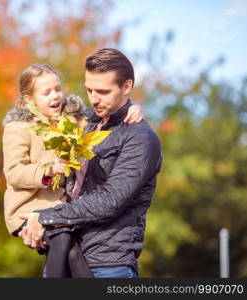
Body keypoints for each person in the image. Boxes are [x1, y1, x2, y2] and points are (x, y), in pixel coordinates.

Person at [19, 48, 162, 278]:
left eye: (103, 92)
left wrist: (44, 217)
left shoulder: (140, 138)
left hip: (107, 265)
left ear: (126, 87)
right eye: (89, 90)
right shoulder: (83, 122)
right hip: (63, 253)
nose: (94, 99)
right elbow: (35, 111)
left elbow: (109, 201)